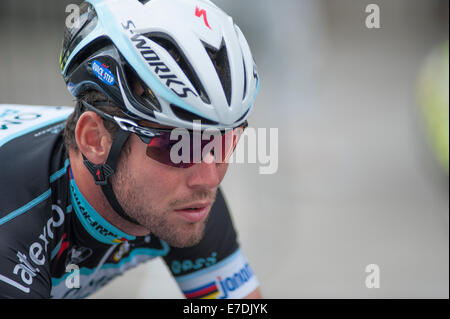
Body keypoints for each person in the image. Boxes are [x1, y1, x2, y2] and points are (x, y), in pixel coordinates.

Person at [0, 0, 261, 299]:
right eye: (178, 147)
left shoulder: (184, 196)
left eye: (222, 142)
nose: (209, 178)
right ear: (95, 140)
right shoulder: (11, 236)